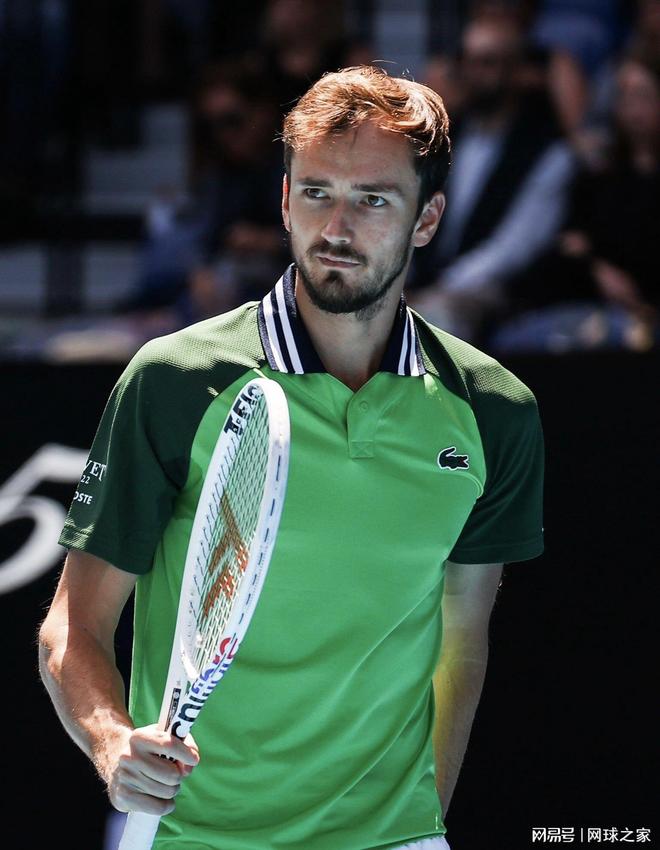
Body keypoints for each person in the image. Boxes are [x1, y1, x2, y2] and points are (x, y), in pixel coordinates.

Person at [38, 66, 545, 850]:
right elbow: (73, 629)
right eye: (315, 192)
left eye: (372, 199)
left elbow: (462, 641)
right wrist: (112, 746)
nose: (336, 227)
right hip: (185, 836)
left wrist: (422, 820)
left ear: (427, 218)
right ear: (283, 201)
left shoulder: (494, 411)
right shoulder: (175, 381)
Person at [412, 12, 574, 343]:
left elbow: (513, 248)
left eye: (488, 62)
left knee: (437, 317)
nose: (474, 73)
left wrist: (438, 287)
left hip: (497, 290)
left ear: (517, 71)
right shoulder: (445, 136)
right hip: (427, 281)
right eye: (468, 61)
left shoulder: (547, 151)